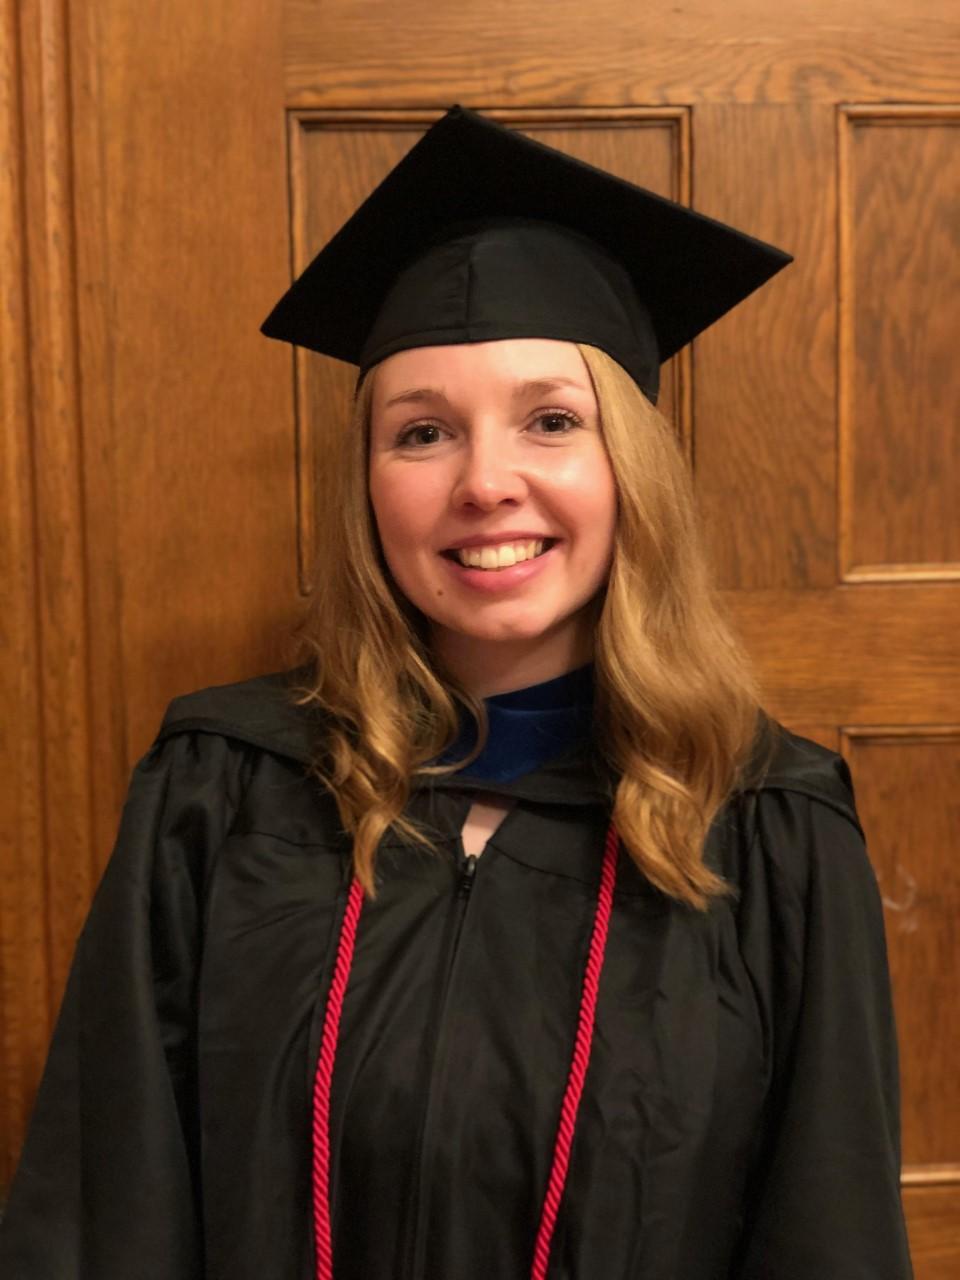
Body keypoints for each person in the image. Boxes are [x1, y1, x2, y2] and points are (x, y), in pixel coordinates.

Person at [0, 106, 913, 1279]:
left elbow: (825, 1234)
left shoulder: (773, 827)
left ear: (629, 465)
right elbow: (101, 1206)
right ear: (369, 484)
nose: (486, 482)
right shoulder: (223, 789)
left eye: (551, 421)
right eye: (422, 431)